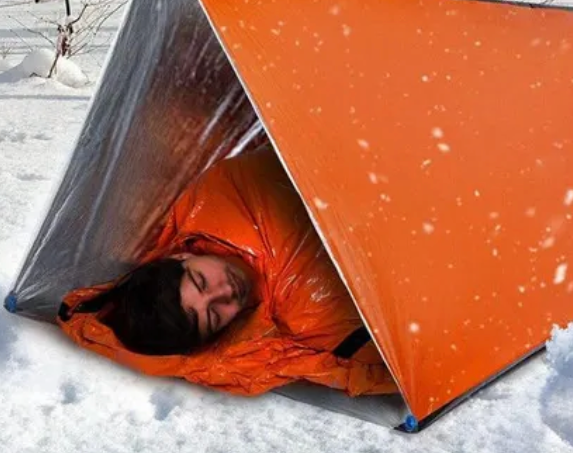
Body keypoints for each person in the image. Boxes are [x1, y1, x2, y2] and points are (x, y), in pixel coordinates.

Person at [58, 144, 397, 398]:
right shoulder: (309, 320)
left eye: (201, 281)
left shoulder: (220, 193)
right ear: (221, 334)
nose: (225, 293)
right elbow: (394, 364)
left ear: (179, 258)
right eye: (215, 316)